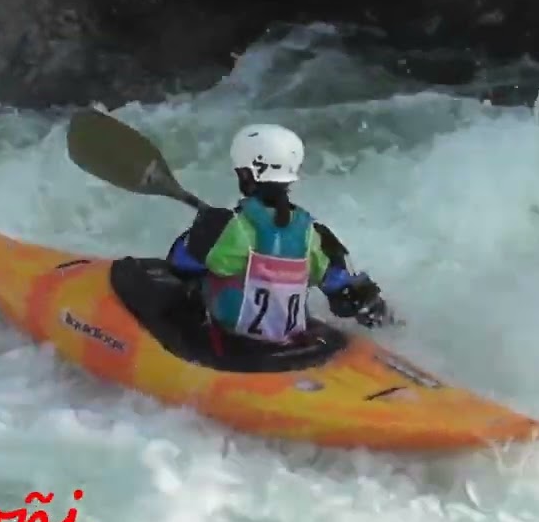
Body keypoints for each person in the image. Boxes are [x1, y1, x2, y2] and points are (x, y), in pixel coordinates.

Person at [165, 123, 391, 351]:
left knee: (186, 289)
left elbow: (178, 264)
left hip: (233, 344)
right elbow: (345, 296)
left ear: (246, 174)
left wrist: (203, 230)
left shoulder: (227, 228)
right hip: (289, 346)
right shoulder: (312, 234)